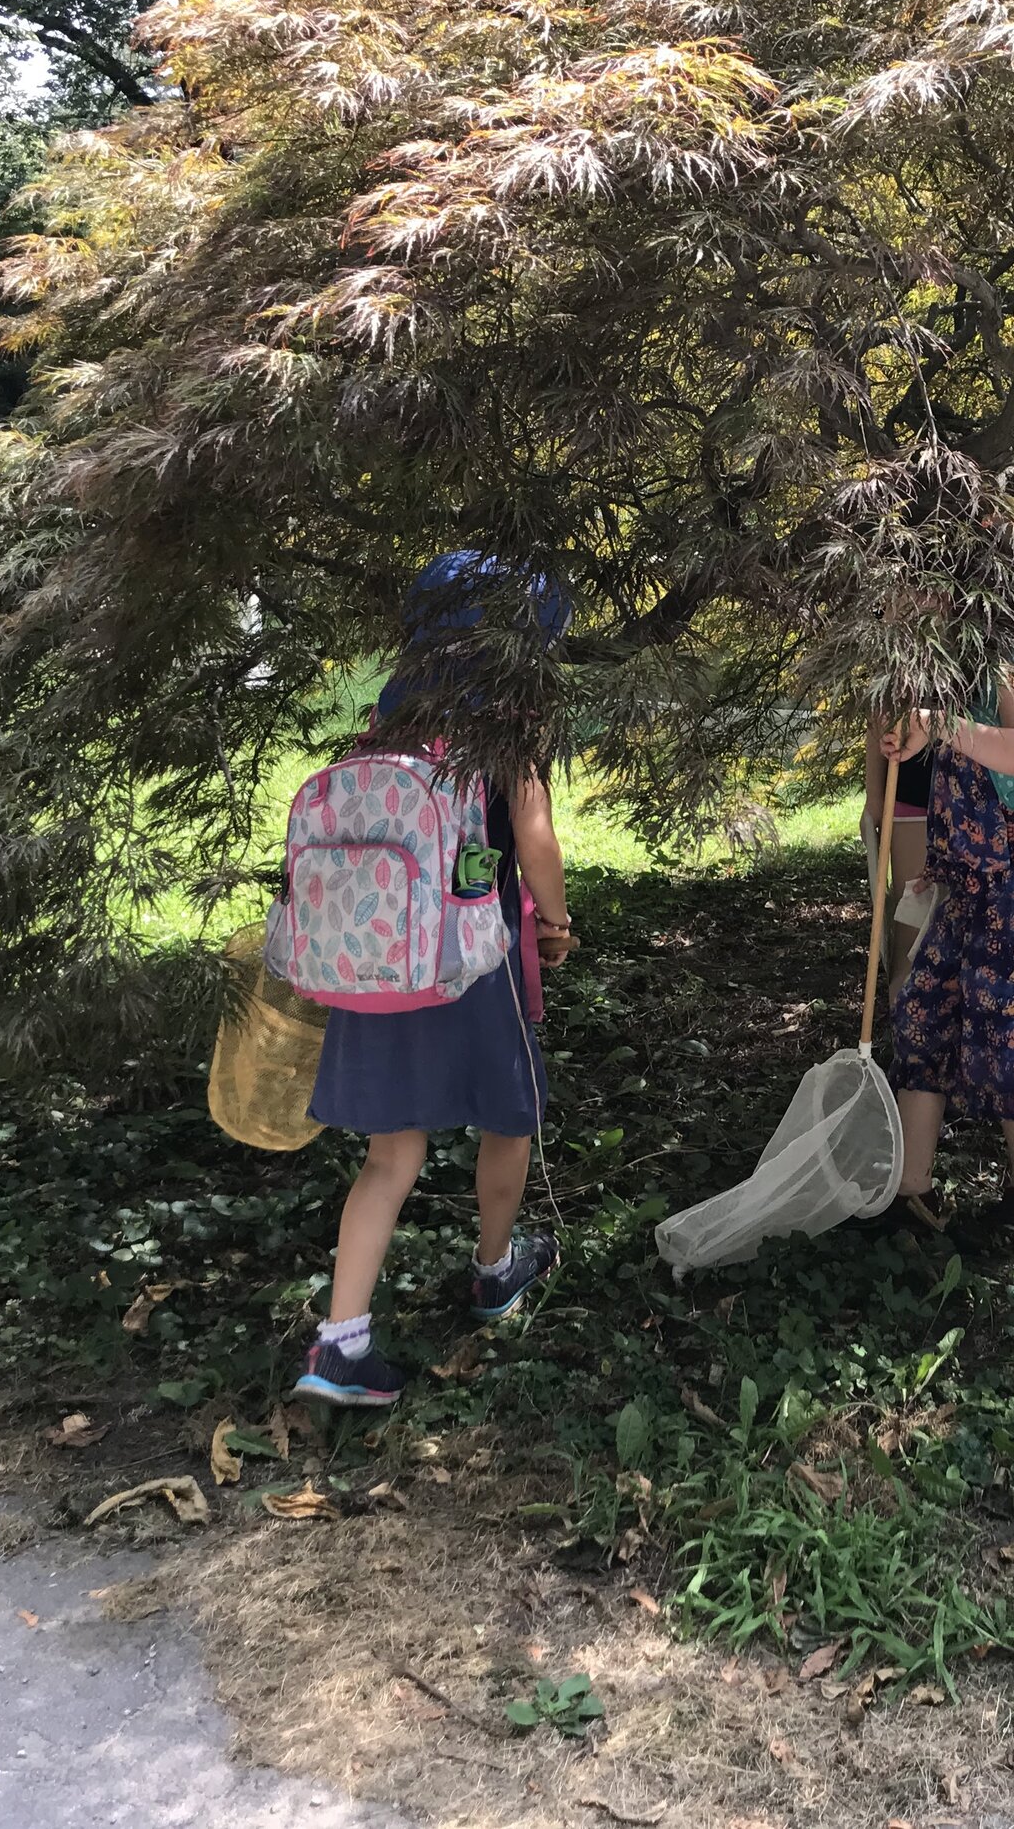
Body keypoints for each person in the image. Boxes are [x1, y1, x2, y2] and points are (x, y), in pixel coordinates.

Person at [291, 553, 579, 1409]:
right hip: (473, 953)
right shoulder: (509, 715)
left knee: (392, 1151)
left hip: (383, 957)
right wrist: (557, 925)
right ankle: (495, 1269)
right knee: (507, 1116)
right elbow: (533, 836)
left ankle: (340, 1342)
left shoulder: (392, 706)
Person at [875, 656, 1014, 1249]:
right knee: (920, 1019)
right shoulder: (936, 680)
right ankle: (913, 1190)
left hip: (1011, 899)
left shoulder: (1004, 671)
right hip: (960, 892)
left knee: (1002, 1039)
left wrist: (942, 723)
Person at [864, 476, 1014, 973]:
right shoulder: (918, 549)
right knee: (915, 948)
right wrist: (875, 799)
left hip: (1011, 801)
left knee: (997, 957)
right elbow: (885, 694)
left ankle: (982, 1047)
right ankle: (912, 1049)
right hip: (921, 782)